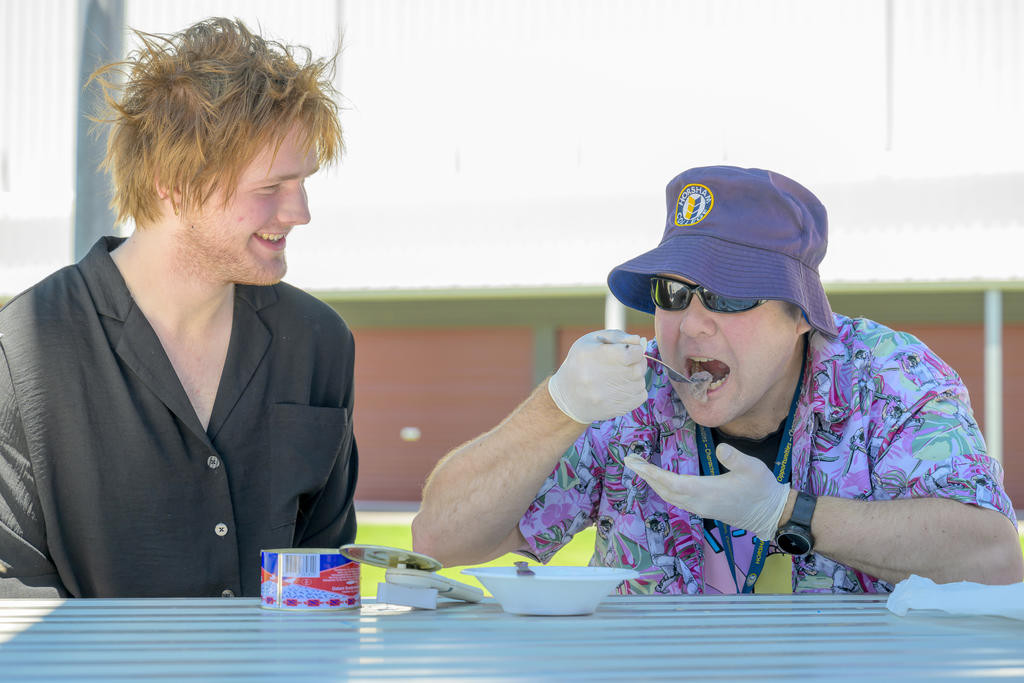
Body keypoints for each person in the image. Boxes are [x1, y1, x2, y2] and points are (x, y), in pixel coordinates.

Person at [412, 165, 1023, 594]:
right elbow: (439, 540)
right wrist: (558, 405)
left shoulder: (890, 377)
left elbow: (995, 561)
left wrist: (788, 513)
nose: (690, 325)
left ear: (800, 315)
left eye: (728, 294)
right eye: (674, 293)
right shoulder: (630, 394)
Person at [0, 18, 358, 598]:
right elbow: (12, 600)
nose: (300, 212)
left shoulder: (321, 343)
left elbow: (325, 581)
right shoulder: (24, 353)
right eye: (271, 188)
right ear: (173, 180)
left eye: (303, 182)